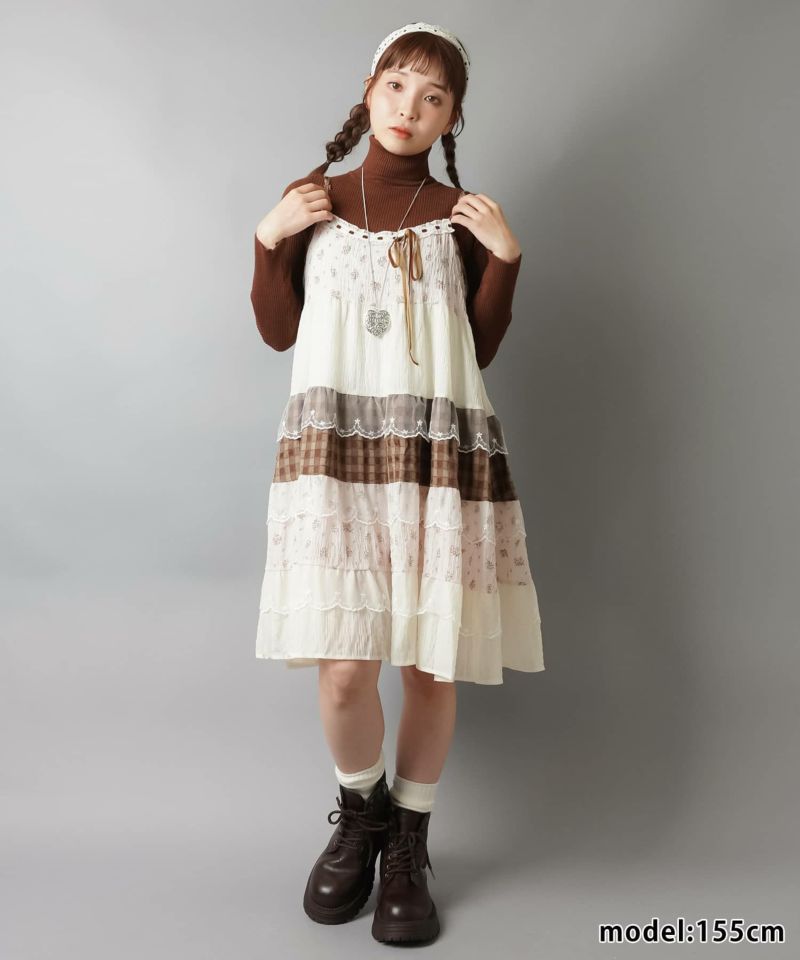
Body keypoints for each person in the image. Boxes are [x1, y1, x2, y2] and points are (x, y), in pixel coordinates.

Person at [250, 21, 544, 945]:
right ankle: (362, 815)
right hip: (339, 459)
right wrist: (266, 240)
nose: (409, 108)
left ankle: (408, 844)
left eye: (433, 97)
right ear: (369, 88)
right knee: (345, 671)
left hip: (432, 456)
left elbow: (478, 349)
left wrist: (505, 261)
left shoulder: (463, 216)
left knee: (427, 663)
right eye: (397, 86)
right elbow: (277, 330)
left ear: (451, 117)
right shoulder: (314, 201)